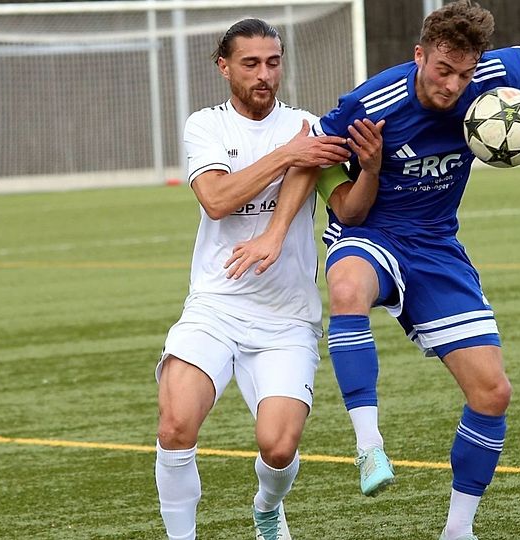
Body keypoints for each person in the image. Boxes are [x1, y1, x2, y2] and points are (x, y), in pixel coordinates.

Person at [312, 1, 520, 538]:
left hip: (435, 247)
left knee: (492, 393)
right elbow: (321, 169)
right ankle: (369, 445)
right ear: (419, 56)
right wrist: (356, 181)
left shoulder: (494, 80)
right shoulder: (371, 103)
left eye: (464, 74)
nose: (454, 85)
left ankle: (458, 530)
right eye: (443, 70)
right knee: (346, 287)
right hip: (371, 232)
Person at [153, 18, 379, 540]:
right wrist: (287, 156)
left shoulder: (307, 126)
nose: (264, 74)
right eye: (251, 63)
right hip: (215, 307)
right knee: (175, 424)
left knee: (278, 448)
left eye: (273, 63)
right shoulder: (206, 126)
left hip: (286, 318)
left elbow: (350, 210)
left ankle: (267, 507)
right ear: (224, 66)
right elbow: (216, 200)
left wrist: (369, 170)